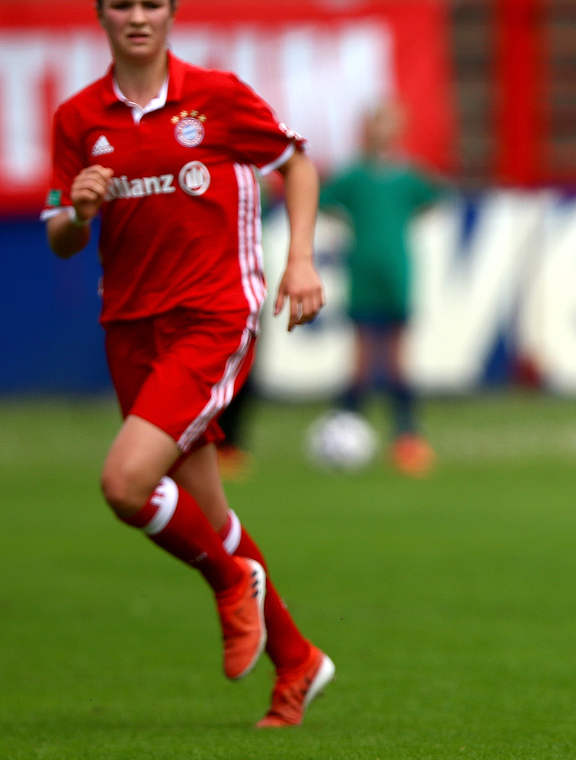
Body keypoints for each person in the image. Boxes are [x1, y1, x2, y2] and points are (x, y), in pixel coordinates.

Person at [43, 0, 334, 727]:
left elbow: (296, 164)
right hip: (130, 329)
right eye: (121, 5)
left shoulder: (217, 96)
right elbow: (60, 237)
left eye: (151, 3)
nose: (137, 16)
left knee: (124, 483)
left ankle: (232, 583)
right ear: (102, 16)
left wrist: (299, 259)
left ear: (170, 13)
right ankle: (298, 661)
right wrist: (77, 212)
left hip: (212, 316)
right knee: (207, 513)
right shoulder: (79, 118)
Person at [319, 103, 441, 477]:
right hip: (363, 272)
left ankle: (406, 438)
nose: (381, 133)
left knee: (396, 359)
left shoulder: (407, 177)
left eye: (388, 126)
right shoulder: (354, 176)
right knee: (360, 360)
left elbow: (434, 197)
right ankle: (343, 430)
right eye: (375, 126)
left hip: (397, 272)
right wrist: (351, 221)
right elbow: (324, 201)